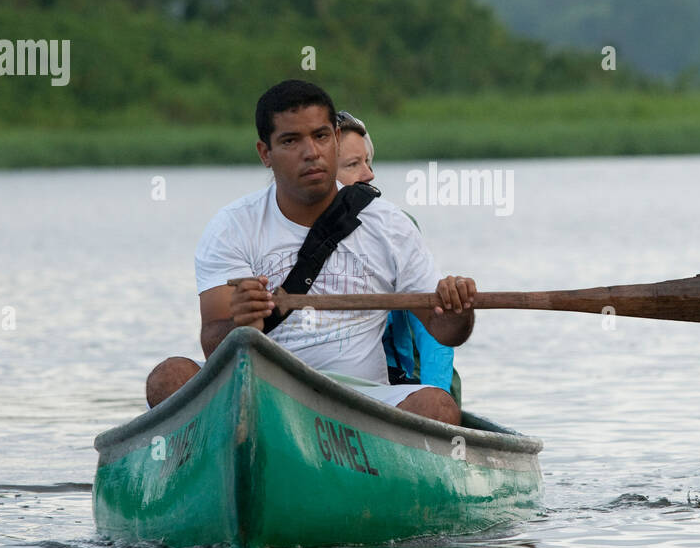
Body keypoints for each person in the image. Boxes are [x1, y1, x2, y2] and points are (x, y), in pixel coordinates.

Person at [145, 81, 473, 425]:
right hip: (259, 390)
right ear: (264, 153)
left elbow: (445, 332)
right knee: (168, 378)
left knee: (438, 408)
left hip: (360, 398)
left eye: (320, 136)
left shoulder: (390, 225)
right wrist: (241, 325)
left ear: (334, 138)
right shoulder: (232, 226)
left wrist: (458, 310)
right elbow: (214, 346)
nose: (311, 152)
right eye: (290, 141)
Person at [333, 110, 457, 399]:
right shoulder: (278, 228)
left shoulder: (395, 225)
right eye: (353, 164)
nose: (369, 174)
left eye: (368, 162)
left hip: (393, 383)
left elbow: (434, 330)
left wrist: (435, 398)